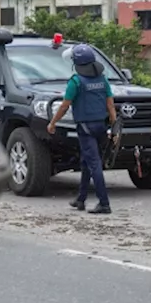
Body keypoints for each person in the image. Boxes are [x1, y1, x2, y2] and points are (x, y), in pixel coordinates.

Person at [47, 44, 116, 215]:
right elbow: (110, 105)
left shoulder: (76, 82)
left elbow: (64, 106)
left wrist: (53, 123)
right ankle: (81, 199)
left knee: (94, 165)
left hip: (85, 128)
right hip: (101, 127)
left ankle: (104, 203)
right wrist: (114, 126)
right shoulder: (103, 80)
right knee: (86, 162)